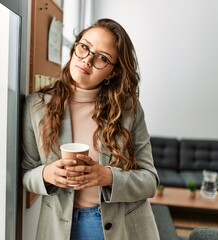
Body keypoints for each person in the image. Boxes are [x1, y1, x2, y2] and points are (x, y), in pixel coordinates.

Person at [22, 18, 160, 240]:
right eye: (84, 47)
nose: (87, 60)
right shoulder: (36, 106)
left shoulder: (129, 111)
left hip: (124, 229)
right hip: (60, 229)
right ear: (75, 47)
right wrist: (46, 173)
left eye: (102, 58)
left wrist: (107, 176)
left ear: (112, 72)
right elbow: (26, 172)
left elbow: (150, 181)